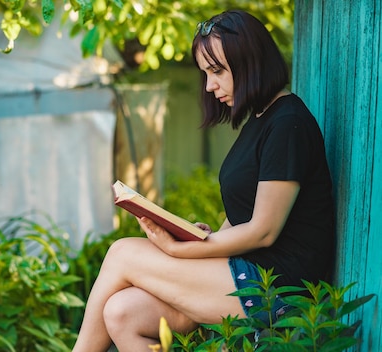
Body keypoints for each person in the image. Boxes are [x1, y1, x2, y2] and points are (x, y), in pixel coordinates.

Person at [72, 9, 335, 352]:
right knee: (122, 313)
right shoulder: (260, 120)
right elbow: (241, 216)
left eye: (217, 71)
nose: (210, 86)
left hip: (277, 286)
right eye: (206, 73)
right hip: (248, 272)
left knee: (122, 253)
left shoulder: (288, 123)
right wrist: (202, 238)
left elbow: (263, 230)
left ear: (250, 62)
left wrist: (183, 249)